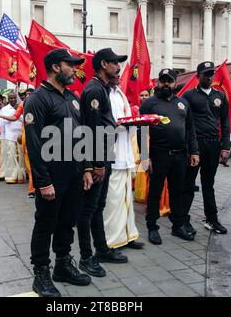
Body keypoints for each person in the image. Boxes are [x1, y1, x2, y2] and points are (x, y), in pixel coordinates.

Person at [24, 49, 91, 297]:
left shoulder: (72, 98)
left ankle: (62, 265)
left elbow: (80, 134)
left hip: (73, 173)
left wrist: (84, 168)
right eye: (70, 65)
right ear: (55, 67)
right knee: (45, 224)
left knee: (67, 221)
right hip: (52, 175)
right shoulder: (38, 99)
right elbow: (34, 144)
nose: (74, 69)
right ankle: (41, 272)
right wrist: (42, 182)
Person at [78, 48, 129, 279]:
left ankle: (102, 249)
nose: (119, 67)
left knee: (98, 206)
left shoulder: (102, 88)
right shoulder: (94, 90)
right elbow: (93, 130)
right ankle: (86, 257)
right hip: (98, 158)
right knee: (88, 209)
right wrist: (96, 164)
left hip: (105, 156)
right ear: (103, 64)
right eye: (115, 63)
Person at [140, 69, 199, 243]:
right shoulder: (149, 104)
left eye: (169, 81)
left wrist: (194, 151)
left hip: (180, 155)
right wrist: (145, 156)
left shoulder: (183, 104)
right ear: (158, 82)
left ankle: (177, 226)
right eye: (163, 80)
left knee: (177, 192)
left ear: (175, 83)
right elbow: (141, 131)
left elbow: (190, 129)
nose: (166, 84)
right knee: (155, 192)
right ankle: (152, 227)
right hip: (158, 155)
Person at [182, 61, 230, 235]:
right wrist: (188, 147)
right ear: (198, 76)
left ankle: (212, 219)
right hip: (194, 145)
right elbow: (184, 122)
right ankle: (182, 219)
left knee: (208, 184)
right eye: (206, 75)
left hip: (213, 144)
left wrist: (225, 146)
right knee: (188, 183)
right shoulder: (188, 96)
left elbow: (225, 122)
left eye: (212, 74)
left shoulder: (220, 96)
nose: (209, 78)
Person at [102, 73, 144, 250]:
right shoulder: (102, 93)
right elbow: (101, 124)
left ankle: (128, 235)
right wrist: (122, 125)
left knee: (126, 197)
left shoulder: (119, 93)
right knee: (113, 201)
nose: (119, 75)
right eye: (115, 72)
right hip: (112, 154)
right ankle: (112, 240)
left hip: (125, 152)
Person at [1, 92, 26, 184]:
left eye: (14, 98)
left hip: (20, 135)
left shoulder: (22, 107)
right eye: (11, 98)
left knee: (21, 158)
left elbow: (24, 119)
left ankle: (20, 176)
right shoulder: (5, 109)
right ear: (8, 99)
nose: (13, 100)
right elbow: (6, 121)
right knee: (11, 158)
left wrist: (17, 113)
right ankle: (11, 177)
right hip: (10, 136)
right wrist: (16, 113)